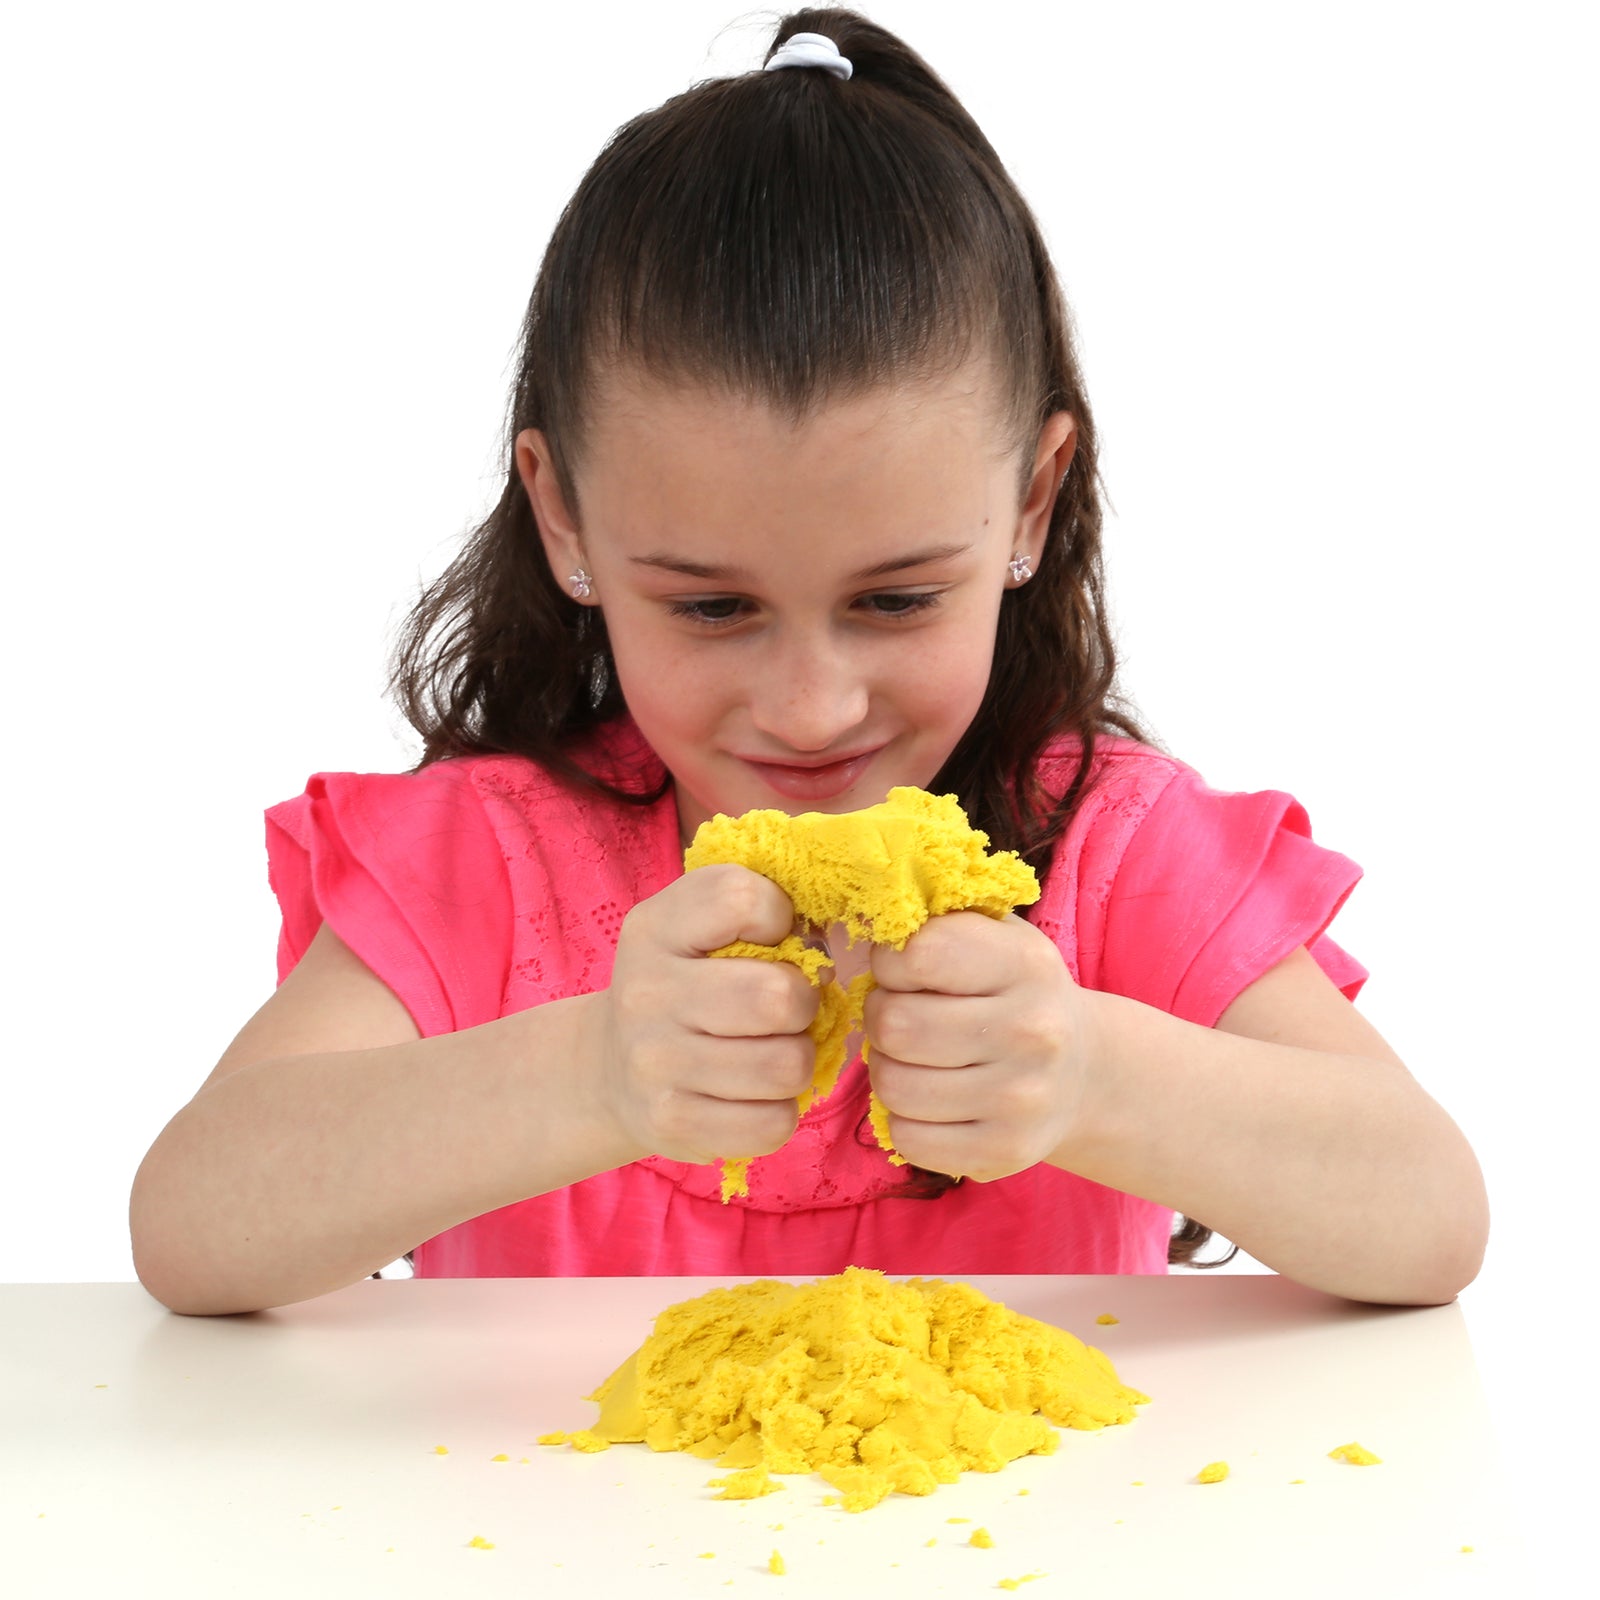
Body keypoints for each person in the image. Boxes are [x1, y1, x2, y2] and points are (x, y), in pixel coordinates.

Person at [129, 8, 1488, 1317]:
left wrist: (1100, 1079)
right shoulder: (483, 866)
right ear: (565, 521)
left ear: (1031, 503)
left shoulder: (1115, 858)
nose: (810, 706)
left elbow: (1431, 1220)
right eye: (713, 608)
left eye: (895, 600)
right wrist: (588, 1075)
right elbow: (193, 1232)